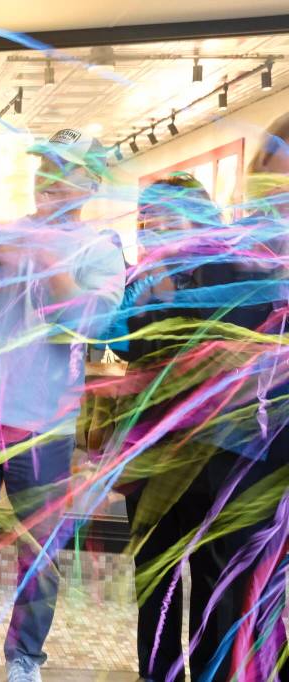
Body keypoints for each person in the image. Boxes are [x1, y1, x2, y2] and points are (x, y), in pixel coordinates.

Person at [0, 129, 125, 682]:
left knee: (39, 552)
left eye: (64, 169)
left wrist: (45, 258)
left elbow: (90, 325)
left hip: (45, 425)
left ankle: (24, 656)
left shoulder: (102, 246)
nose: (49, 177)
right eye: (45, 165)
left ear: (87, 182)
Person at [188, 113, 289, 682]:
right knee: (230, 592)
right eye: (276, 183)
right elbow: (206, 349)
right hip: (240, 448)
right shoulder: (232, 256)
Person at [116, 173, 227, 682]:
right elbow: (117, 341)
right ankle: (156, 672)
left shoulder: (227, 273)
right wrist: (138, 299)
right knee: (155, 574)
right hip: (152, 447)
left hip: (212, 449)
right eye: (148, 218)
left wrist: (166, 292)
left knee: (211, 574)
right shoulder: (140, 277)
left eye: (167, 216)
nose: (155, 227)